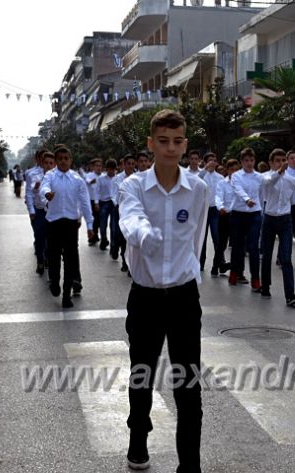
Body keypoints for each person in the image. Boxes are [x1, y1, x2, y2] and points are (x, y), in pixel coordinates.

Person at [118, 109, 208, 472]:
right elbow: (130, 218)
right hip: (146, 297)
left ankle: (190, 465)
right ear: (151, 143)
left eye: (178, 141)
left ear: (185, 144)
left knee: (189, 385)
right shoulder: (133, 186)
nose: (171, 149)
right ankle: (138, 437)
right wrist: (144, 236)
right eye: (163, 141)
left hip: (184, 297)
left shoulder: (198, 188)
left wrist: (189, 273)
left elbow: (197, 238)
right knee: (142, 374)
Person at [40, 147, 94, 309]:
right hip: (53, 223)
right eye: (60, 158)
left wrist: (90, 225)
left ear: (71, 160)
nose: (63, 161)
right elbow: (44, 187)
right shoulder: (50, 175)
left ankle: (66, 295)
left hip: (70, 224)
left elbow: (85, 203)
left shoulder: (77, 180)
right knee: (53, 256)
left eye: (66, 158)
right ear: (56, 161)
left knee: (70, 260)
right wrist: (47, 194)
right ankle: (54, 282)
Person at [259, 149, 295, 306]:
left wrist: (283, 172)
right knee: (267, 255)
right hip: (269, 218)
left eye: (284, 160)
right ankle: (265, 287)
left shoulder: (292, 180)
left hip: (285, 220)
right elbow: (268, 183)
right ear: (271, 163)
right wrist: (278, 171)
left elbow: (290, 198)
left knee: (286, 258)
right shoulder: (266, 177)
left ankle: (290, 295)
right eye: (278, 160)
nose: (282, 163)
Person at [229, 148, 263, 291]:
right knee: (237, 246)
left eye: (251, 160)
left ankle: (255, 278)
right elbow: (238, 189)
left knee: (253, 247)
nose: (249, 163)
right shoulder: (236, 176)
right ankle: (235, 271)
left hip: (254, 214)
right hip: (238, 214)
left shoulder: (259, 177)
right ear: (242, 162)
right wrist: (247, 199)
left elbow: (262, 195)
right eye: (246, 160)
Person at [28, 152, 55, 275]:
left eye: (51, 163)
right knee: (39, 238)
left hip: (54, 212)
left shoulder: (57, 176)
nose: (48, 165)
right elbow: (30, 193)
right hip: (39, 211)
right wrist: (32, 211)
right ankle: (40, 260)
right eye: (46, 163)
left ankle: (49, 259)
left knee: (51, 239)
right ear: (42, 164)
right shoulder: (34, 175)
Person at [198, 153, 224, 275]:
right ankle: (200, 263)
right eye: (210, 161)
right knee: (202, 238)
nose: (212, 163)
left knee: (216, 237)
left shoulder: (220, 177)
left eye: (214, 160)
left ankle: (219, 263)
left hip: (215, 210)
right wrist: (205, 168)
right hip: (203, 209)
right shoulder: (201, 175)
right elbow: (196, 182)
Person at [215, 159, 240, 276]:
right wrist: (221, 207)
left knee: (237, 244)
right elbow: (218, 197)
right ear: (227, 170)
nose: (234, 172)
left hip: (238, 216)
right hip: (225, 215)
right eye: (231, 169)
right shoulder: (222, 183)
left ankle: (237, 271)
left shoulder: (241, 183)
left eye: (236, 169)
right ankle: (216, 266)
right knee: (222, 243)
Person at [96, 159, 117, 251]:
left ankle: (113, 245)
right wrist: (96, 203)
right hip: (104, 203)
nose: (111, 171)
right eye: (110, 169)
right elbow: (97, 191)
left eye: (113, 169)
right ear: (107, 169)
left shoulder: (118, 178)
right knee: (103, 223)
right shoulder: (101, 179)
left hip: (114, 203)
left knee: (113, 225)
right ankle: (103, 239)